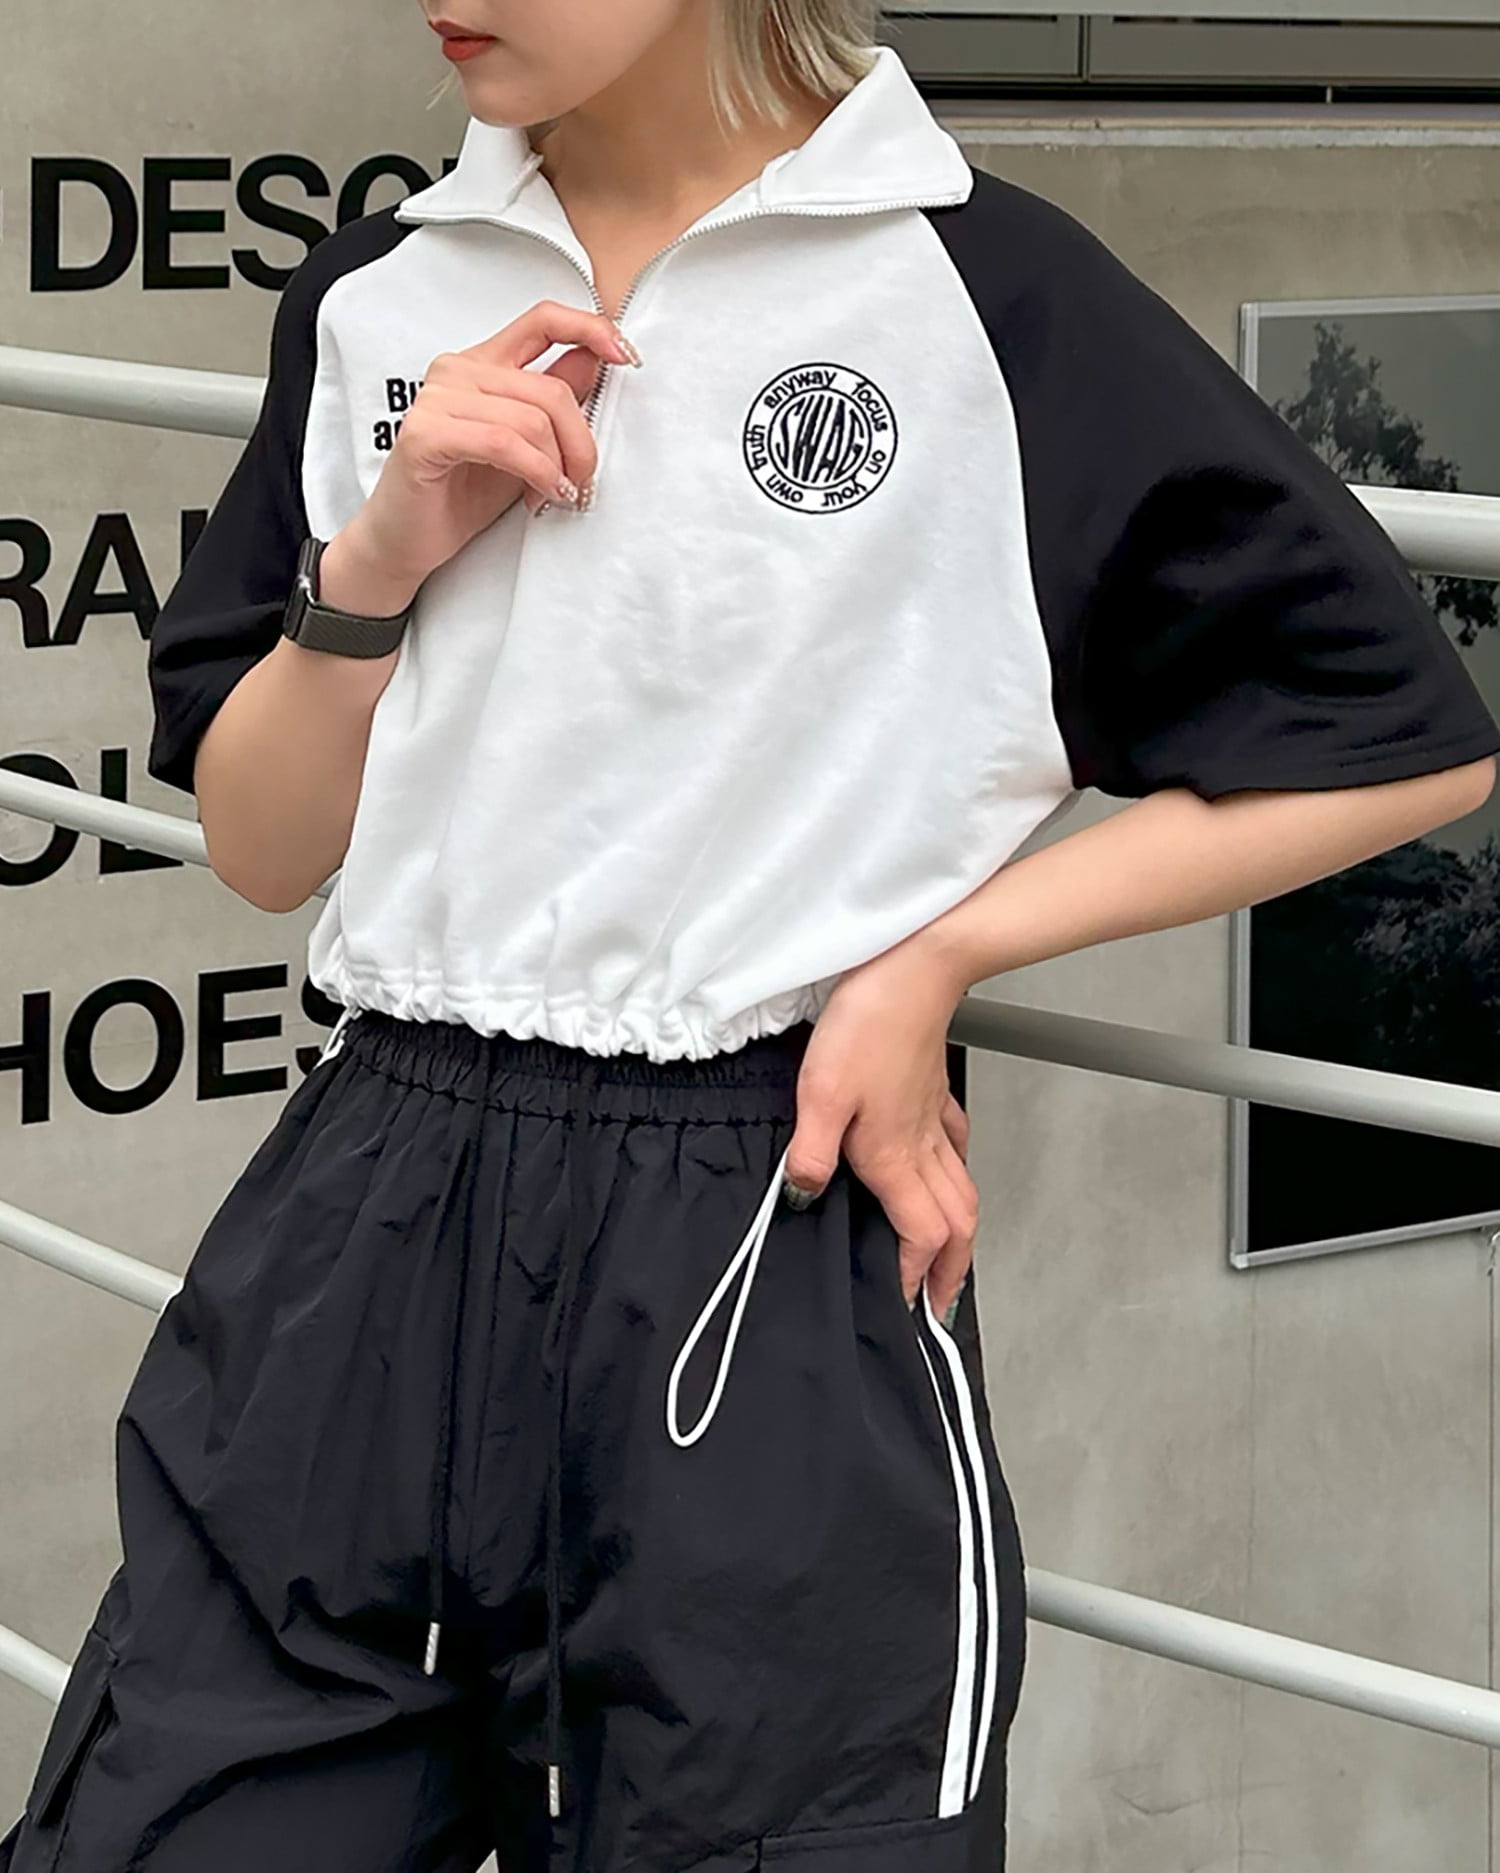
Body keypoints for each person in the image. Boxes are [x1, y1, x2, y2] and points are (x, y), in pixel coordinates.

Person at [7, 2, 1498, 1868]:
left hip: (760, 1223)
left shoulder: (979, 291)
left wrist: (935, 957)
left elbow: (1399, 736)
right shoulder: (381, 291)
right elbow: (257, 845)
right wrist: (376, 562)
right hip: (367, 1213)